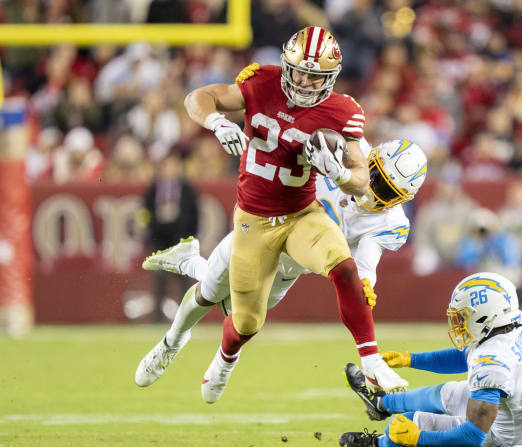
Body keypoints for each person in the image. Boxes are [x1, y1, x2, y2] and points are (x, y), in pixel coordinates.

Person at [135, 26, 409, 398]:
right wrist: (217, 122)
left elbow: (360, 181)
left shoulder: (342, 113)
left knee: (341, 266)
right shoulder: (262, 81)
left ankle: (372, 361)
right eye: (299, 72)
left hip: (301, 215)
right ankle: (172, 341)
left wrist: (339, 173)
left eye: (315, 76)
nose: (305, 82)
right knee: (234, 311)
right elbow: (198, 98)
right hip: (255, 220)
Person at [135, 139, 427, 402]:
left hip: (293, 263)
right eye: (374, 175)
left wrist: (365, 283)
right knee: (209, 291)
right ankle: (171, 342)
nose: (373, 189)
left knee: (244, 319)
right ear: (369, 158)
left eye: (386, 189)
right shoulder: (344, 146)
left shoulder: (391, 223)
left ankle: (221, 346)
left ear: (401, 199)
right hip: (266, 225)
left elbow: (365, 263)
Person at [339, 272, 522, 447]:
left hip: (503, 436)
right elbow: (466, 357)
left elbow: (474, 434)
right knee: (447, 392)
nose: (458, 323)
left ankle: (379, 444)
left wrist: (418, 437)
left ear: (486, 316)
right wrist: (410, 359)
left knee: (406, 424)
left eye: (464, 316)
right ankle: (380, 403)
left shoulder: (492, 362)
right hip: (518, 413)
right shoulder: (516, 322)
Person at [142, 151, 199, 321]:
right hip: (160, 238)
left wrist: (189, 238)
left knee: (183, 277)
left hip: (180, 238)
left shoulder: (188, 190)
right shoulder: (153, 189)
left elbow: (194, 215)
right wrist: (151, 232)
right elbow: (145, 212)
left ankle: (185, 316)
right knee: (159, 276)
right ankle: (158, 316)